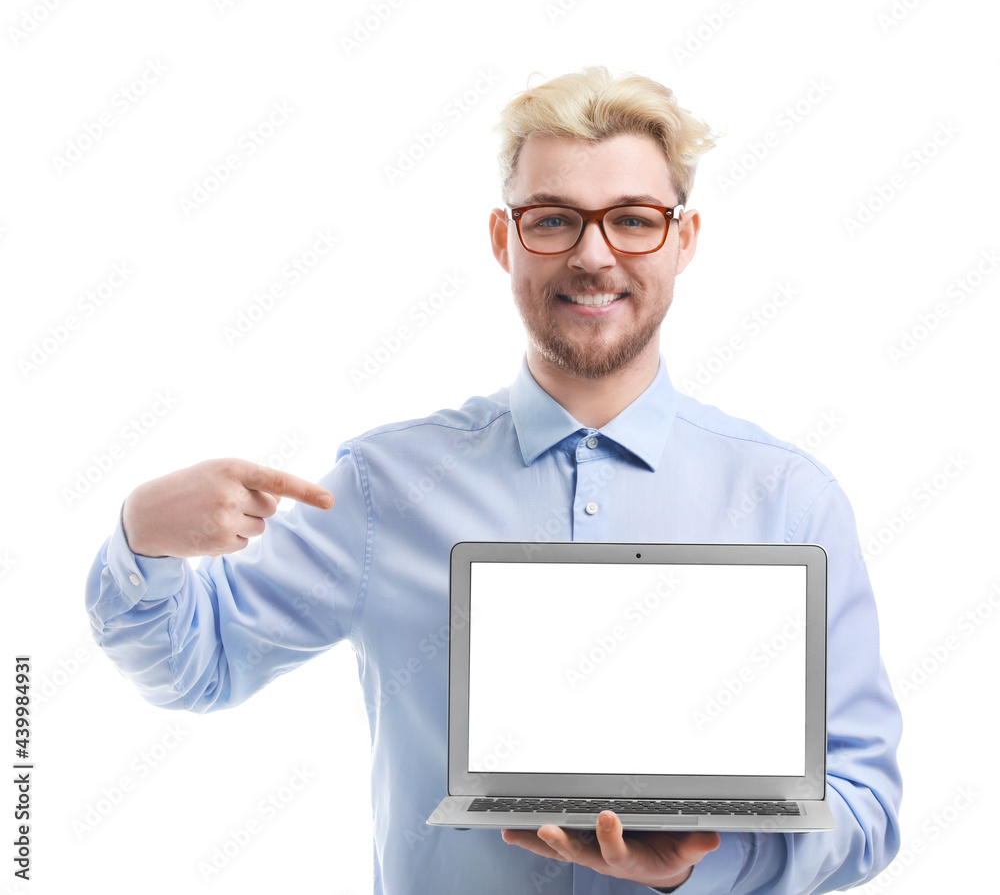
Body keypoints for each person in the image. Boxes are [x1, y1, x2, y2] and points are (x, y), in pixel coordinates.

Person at [85, 66, 902, 894]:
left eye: (631, 219)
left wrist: (697, 867)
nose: (593, 254)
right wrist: (141, 536)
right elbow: (200, 663)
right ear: (503, 239)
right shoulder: (384, 488)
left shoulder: (790, 500)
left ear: (683, 240)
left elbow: (867, 807)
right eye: (553, 219)